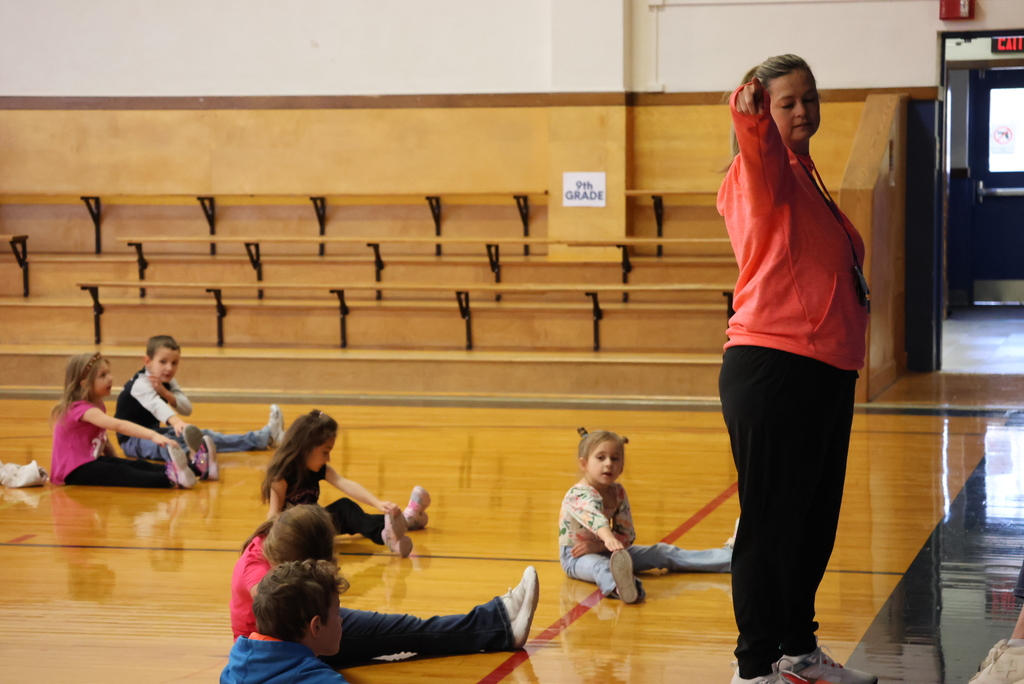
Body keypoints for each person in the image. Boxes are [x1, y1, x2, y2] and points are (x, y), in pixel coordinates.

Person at [717, 54, 875, 684]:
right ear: (764, 111)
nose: (803, 110)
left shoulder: (806, 173)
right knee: (769, 526)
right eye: (787, 103)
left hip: (824, 370)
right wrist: (749, 115)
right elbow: (756, 149)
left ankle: (796, 650)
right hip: (776, 364)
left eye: (810, 98)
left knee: (810, 525)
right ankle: (755, 668)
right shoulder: (761, 171)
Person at [231, 505, 540, 669]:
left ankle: (498, 621)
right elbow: (275, 609)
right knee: (404, 632)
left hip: (307, 624)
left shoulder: (279, 539)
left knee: (404, 629)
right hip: (292, 639)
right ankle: (500, 625)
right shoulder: (259, 571)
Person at [559, 428, 732, 604]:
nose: (609, 463)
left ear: (622, 467)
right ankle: (625, 588)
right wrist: (607, 539)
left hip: (608, 550)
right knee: (601, 567)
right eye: (600, 458)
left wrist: (600, 545)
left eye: (615, 458)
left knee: (661, 552)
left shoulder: (617, 492)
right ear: (584, 464)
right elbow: (594, 517)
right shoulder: (578, 494)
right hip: (576, 557)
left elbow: (627, 534)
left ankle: (727, 559)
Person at [114, 334, 286, 480]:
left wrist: (167, 394)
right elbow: (156, 405)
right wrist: (175, 421)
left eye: (174, 363)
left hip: (155, 433)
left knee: (206, 436)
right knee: (170, 446)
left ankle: (264, 438)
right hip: (133, 440)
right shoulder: (141, 383)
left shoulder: (166, 382)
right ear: (148, 361)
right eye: (163, 362)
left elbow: (186, 408)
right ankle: (198, 463)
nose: (169, 368)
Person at [261, 409, 430, 558]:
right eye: (325, 452)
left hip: (317, 525)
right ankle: (396, 529)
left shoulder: (317, 469)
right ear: (306, 447)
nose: (328, 458)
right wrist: (274, 547)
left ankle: (406, 521)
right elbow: (274, 515)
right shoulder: (281, 476)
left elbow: (344, 483)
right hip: (300, 534)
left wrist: (378, 503)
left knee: (357, 517)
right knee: (345, 508)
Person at [50, 352, 196, 489]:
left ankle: (194, 470)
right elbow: (118, 425)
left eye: (108, 373)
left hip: (88, 463)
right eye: (102, 375)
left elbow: (102, 439)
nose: (110, 378)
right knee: (125, 473)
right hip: (74, 471)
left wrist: (115, 459)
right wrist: (153, 435)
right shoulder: (80, 409)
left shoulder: (97, 404)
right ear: (85, 384)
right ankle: (172, 479)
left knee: (136, 465)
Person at [222, 559, 351, 683]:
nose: (341, 620)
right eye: (337, 613)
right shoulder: (321, 679)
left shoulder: (233, 668)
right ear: (316, 626)